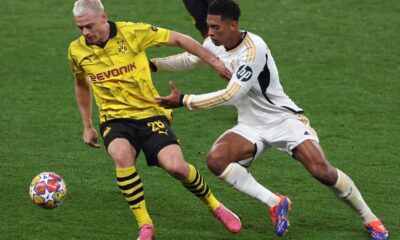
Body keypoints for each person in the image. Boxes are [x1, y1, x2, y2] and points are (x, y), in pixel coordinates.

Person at [153, 0, 389, 239]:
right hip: (250, 125)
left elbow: (231, 95)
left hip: (283, 120)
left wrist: (184, 100)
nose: (210, 33)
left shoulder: (253, 49)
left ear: (233, 25)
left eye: (216, 27)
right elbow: (189, 58)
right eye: (208, 26)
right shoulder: (214, 43)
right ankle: (276, 202)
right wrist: (152, 65)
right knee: (217, 160)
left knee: (322, 171)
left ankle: (370, 218)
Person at [67, 0, 241, 239]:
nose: (85, 33)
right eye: (80, 28)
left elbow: (179, 39)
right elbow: (81, 85)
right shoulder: (76, 51)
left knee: (177, 168)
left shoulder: (133, 32)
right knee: (121, 155)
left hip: (150, 113)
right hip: (114, 119)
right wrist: (87, 125)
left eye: (88, 26)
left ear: (104, 17)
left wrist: (214, 62)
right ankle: (145, 224)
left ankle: (215, 206)